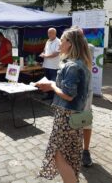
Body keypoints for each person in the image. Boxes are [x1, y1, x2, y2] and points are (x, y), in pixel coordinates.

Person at [37, 26, 92, 183]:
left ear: (70, 43)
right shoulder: (80, 63)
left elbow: (68, 95)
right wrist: (53, 84)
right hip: (75, 116)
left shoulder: (72, 66)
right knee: (71, 155)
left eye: (61, 40)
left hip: (67, 117)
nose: (59, 43)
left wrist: (52, 86)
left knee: (59, 155)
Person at [82, 43, 95, 167]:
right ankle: (74, 149)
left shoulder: (88, 47)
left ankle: (85, 150)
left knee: (85, 121)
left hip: (85, 93)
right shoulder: (66, 51)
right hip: (70, 93)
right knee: (71, 123)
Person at [39, 28, 60, 100]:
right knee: (47, 81)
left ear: (55, 33)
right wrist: (43, 53)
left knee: (53, 82)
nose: (49, 35)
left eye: (51, 33)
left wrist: (46, 56)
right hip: (46, 65)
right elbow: (45, 50)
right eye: (48, 33)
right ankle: (49, 95)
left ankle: (55, 97)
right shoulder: (47, 41)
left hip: (54, 66)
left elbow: (56, 53)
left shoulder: (58, 41)